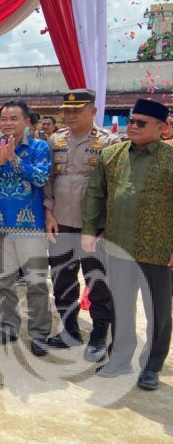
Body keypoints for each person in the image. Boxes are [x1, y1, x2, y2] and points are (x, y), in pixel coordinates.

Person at [82, 98, 173, 390]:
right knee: (121, 305)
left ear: (161, 127)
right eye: (131, 121)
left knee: (157, 311)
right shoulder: (111, 155)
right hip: (118, 246)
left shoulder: (170, 160)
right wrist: (89, 230)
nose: (133, 126)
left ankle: (151, 366)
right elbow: (95, 194)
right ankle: (120, 359)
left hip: (158, 250)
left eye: (140, 123)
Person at [43, 89, 118, 359]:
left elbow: (114, 187)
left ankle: (98, 336)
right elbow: (49, 180)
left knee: (97, 282)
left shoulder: (108, 142)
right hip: (60, 223)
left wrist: (106, 226)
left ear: (94, 112)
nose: (71, 115)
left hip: (93, 229)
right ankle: (70, 330)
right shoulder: (56, 140)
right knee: (62, 279)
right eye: (68, 110)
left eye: (78, 110)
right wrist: (49, 214)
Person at [0, 99, 51, 357]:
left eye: (13, 118)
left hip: (31, 227)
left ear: (27, 122)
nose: (7, 123)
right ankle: (8, 326)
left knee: (37, 283)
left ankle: (40, 334)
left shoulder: (40, 147)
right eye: (4, 119)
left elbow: (41, 177)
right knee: (3, 282)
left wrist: (15, 160)